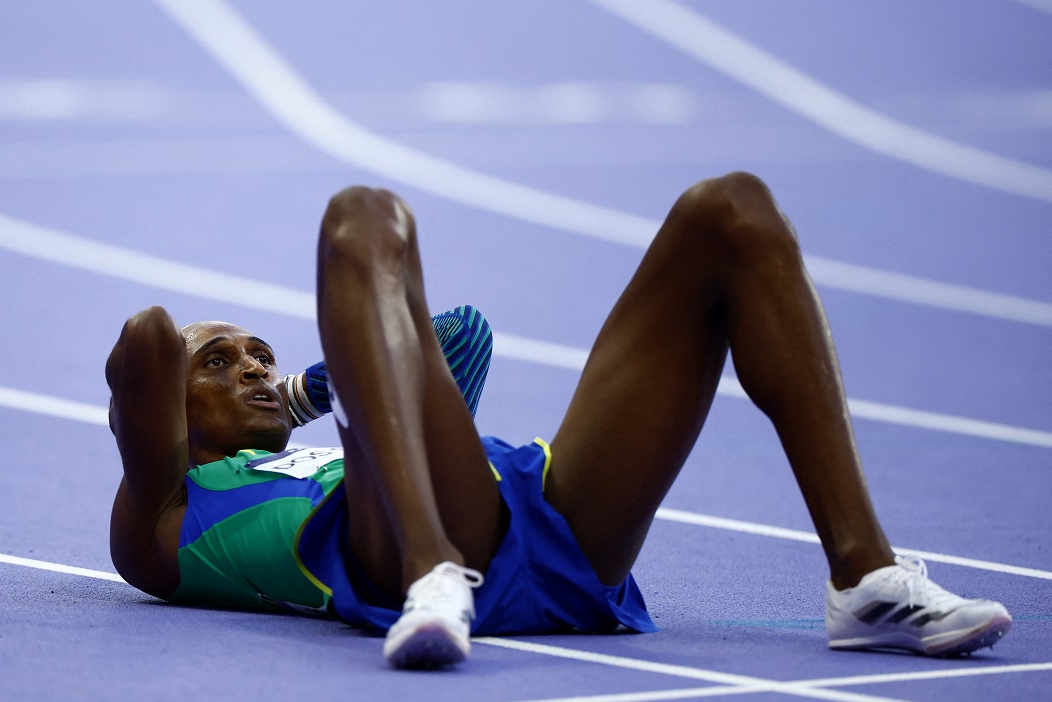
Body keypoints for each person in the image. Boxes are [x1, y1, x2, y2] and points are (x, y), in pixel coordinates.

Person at [106, 174, 1011, 670]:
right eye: (219, 364)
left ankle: (864, 576)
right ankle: (434, 575)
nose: (253, 366)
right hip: (404, 548)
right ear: (170, 416)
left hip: (543, 515)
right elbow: (144, 342)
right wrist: (290, 386)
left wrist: (306, 388)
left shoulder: (337, 428)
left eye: (260, 352)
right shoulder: (168, 519)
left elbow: (457, 335)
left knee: (730, 211)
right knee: (356, 216)